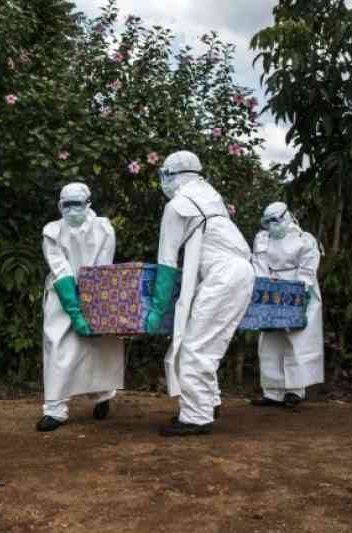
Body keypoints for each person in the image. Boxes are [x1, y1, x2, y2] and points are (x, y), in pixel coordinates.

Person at [146, 151, 255, 436]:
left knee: (195, 347)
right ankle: (209, 403)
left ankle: (196, 417)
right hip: (241, 271)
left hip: (223, 277)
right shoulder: (210, 197)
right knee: (208, 344)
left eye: (164, 176)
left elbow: (167, 262)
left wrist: (157, 309)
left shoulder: (178, 205)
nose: (163, 182)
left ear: (171, 175)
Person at [38, 182, 125, 432]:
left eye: (77, 204)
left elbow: (102, 267)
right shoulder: (52, 231)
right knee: (58, 348)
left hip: (96, 291)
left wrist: (93, 303)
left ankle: (103, 396)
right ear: (59, 206)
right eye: (67, 205)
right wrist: (75, 311)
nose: (72, 210)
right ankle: (55, 410)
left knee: (96, 347)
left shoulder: (104, 228)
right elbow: (61, 270)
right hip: (60, 295)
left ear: (88, 204)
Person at [250, 201, 324, 409]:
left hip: (298, 289)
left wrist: (301, 294)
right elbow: (259, 265)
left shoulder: (305, 240)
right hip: (271, 290)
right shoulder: (263, 238)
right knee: (270, 340)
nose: (273, 225)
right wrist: (265, 290)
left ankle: (295, 391)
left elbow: (308, 269)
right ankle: (272, 392)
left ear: (287, 216)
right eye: (268, 221)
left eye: (276, 220)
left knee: (296, 340)